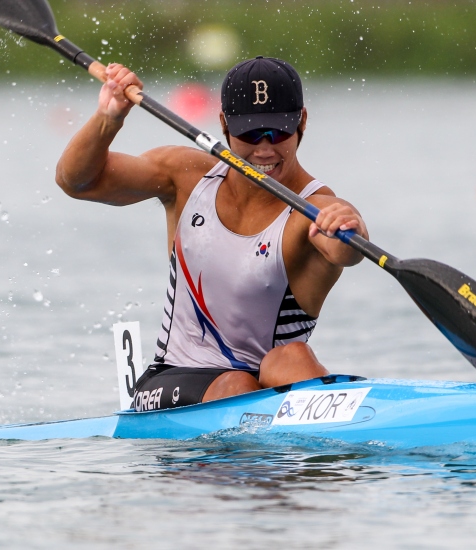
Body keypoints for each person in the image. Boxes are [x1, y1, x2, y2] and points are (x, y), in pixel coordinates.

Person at [55, 56, 368, 411]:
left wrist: (351, 226)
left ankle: (333, 421)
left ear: (303, 122)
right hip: (172, 379)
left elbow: (346, 253)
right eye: (249, 132)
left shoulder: (315, 210)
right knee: (237, 384)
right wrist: (108, 119)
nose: (264, 149)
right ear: (222, 124)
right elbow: (76, 181)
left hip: (264, 386)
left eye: (278, 131)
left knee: (292, 358)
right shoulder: (185, 175)